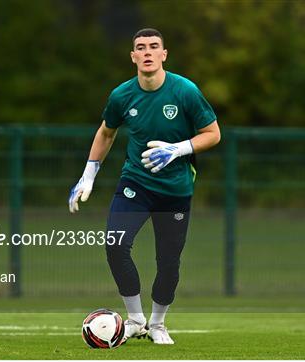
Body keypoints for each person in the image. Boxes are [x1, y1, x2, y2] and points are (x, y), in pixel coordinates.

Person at [68, 28, 220, 345]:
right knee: (115, 244)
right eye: (141, 47)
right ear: (133, 56)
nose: (147, 51)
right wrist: (88, 175)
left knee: (168, 262)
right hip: (135, 182)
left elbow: (212, 133)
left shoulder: (185, 91)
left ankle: (158, 324)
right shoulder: (121, 95)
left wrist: (177, 149)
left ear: (164, 54)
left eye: (154, 47)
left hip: (175, 188)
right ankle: (135, 319)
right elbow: (106, 133)